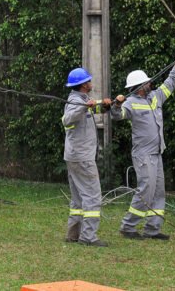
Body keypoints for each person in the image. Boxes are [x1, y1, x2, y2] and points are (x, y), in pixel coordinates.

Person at [111, 54, 175, 240]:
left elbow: (169, 84)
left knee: (158, 192)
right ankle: (128, 227)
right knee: (146, 189)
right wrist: (115, 104)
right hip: (143, 155)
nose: (150, 83)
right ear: (138, 87)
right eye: (146, 82)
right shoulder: (129, 103)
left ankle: (153, 229)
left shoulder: (155, 98)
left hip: (156, 153)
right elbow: (116, 116)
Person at [61, 67, 112, 247]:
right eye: (89, 81)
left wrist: (105, 106)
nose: (91, 83)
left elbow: (91, 108)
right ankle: (88, 236)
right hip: (82, 157)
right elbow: (68, 119)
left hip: (76, 155)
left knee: (78, 197)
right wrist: (85, 108)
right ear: (83, 84)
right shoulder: (76, 102)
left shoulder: (81, 100)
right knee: (92, 195)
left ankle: (73, 234)